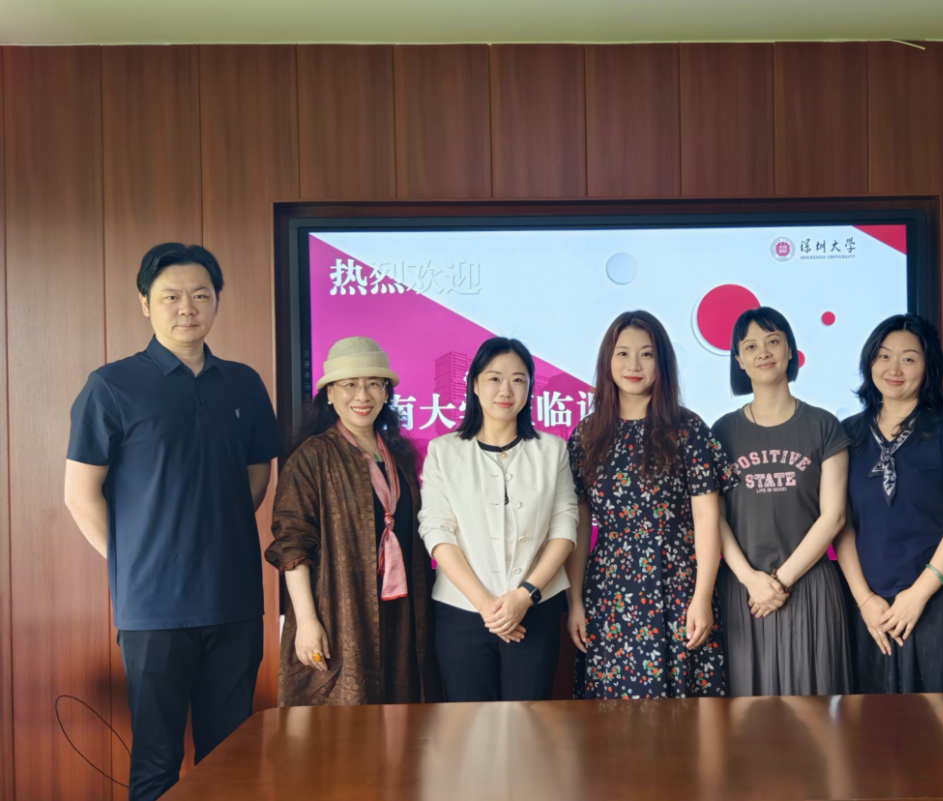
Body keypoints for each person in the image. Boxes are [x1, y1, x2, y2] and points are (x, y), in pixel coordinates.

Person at [63, 243, 281, 801]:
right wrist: (136, 559)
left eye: (201, 295)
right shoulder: (111, 386)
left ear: (216, 302)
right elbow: (80, 495)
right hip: (153, 608)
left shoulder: (244, 383)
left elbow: (257, 474)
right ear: (145, 303)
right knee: (156, 760)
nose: (188, 308)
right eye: (171, 297)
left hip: (233, 599)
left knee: (230, 759)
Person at [565, 310, 737, 699]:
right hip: (609, 590)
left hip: (679, 585)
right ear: (607, 361)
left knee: (684, 711)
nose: (634, 365)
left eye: (646, 354)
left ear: (662, 363)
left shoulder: (687, 428)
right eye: (623, 354)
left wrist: (702, 598)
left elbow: (707, 517)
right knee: (613, 709)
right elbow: (579, 525)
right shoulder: (587, 435)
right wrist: (575, 602)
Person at [265, 336, 442, 706]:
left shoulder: (400, 455)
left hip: (402, 615)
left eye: (373, 383)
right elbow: (292, 544)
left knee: (402, 723)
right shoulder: (312, 457)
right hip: (339, 613)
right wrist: (307, 622)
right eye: (349, 384)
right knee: (341, 725)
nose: (362, 395)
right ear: (330, 394)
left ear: (386, 392)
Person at [834, 314, 943, 695]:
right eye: (883, 356)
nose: (894, 369)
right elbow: (840, 523)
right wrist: (864, 600)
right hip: (869, 602)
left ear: (928, 366)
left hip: (938, 594)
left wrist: (918, 595)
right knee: (873, 719)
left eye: (909, 358)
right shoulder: (847, 434)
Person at [418, 337, 578, 702]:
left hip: (536, 610)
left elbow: (564, 527)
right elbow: (436, 530)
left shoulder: (552, 450)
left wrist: (524, 596)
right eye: (494, 378)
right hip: (462, 612)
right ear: (474, 384)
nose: (506, 390)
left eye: (518, 379)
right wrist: (487, 607)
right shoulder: (444, 451)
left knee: (529, 723)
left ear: (529, 387)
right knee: (470, 724)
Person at [713, 307, 853, 696]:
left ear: (790, 351)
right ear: (739, 360)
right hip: (744, 590)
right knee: (745, 714)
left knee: (813, 710)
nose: (763, 352)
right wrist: (750, 580)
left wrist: (780, 582)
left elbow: (834, 516)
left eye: (773, 341)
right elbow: (714, 519)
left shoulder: (824, 426)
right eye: (750, 346)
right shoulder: (721, 432)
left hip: (808, 586)